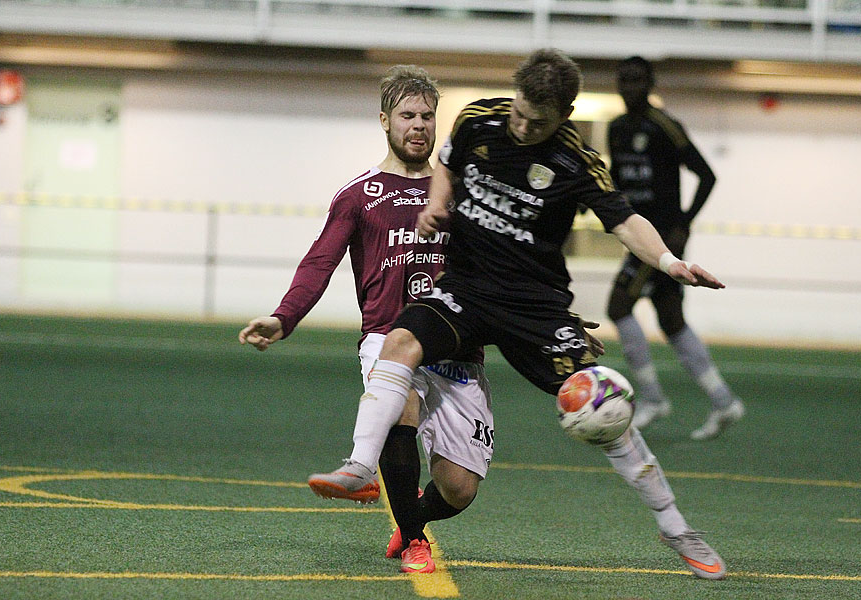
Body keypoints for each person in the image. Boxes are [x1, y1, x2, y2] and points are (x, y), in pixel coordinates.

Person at [309, 48, 730, 580]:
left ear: (565, 116)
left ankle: (676, 528)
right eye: (521, 113)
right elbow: (446, 164)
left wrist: (670, 262)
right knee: (400, 341)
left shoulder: (575, 162)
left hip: (534, 307)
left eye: (540, 122)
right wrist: (437, 204)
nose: (525, 126)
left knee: (605, 413)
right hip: (465, 290)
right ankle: (359, 466)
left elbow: (624, 222)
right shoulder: (478, 118)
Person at [240, 65, 510, 575]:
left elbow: (505, 262)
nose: (419, 126)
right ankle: (413, 539)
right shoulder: (358, 194)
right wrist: (284, 317)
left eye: (428, 116)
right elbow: (319, 261)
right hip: (388, 339)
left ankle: (411, 519)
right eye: (408, 115)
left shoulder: (462, 194)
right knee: (399, 406)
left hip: (456, 351)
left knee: (460, 488)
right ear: (385, 121)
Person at [606, 56, 744, 440]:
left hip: (661, 240)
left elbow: (706, 174)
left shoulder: (665, 126)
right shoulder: (616, 129)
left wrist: (683, 222)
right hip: (635, 234)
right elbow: (617, 177)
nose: (630, 86)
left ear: (650, 84)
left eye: (637, 80)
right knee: (671, 320)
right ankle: (724, 401)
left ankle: (651, 399)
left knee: (618, 306)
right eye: (624, 79)